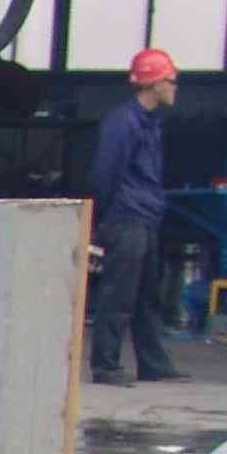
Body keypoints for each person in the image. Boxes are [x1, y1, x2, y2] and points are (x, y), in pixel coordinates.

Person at [87, 46, 182, 385]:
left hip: (146, 217)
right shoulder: (123, 123)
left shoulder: (150, 123)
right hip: (125, 219)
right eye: (170, 80)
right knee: (118, 296)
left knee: (146, 297)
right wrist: (103, 219)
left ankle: (154, 364)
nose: (175, 87)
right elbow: (105, 174)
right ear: (154, 83)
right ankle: (105, 365)